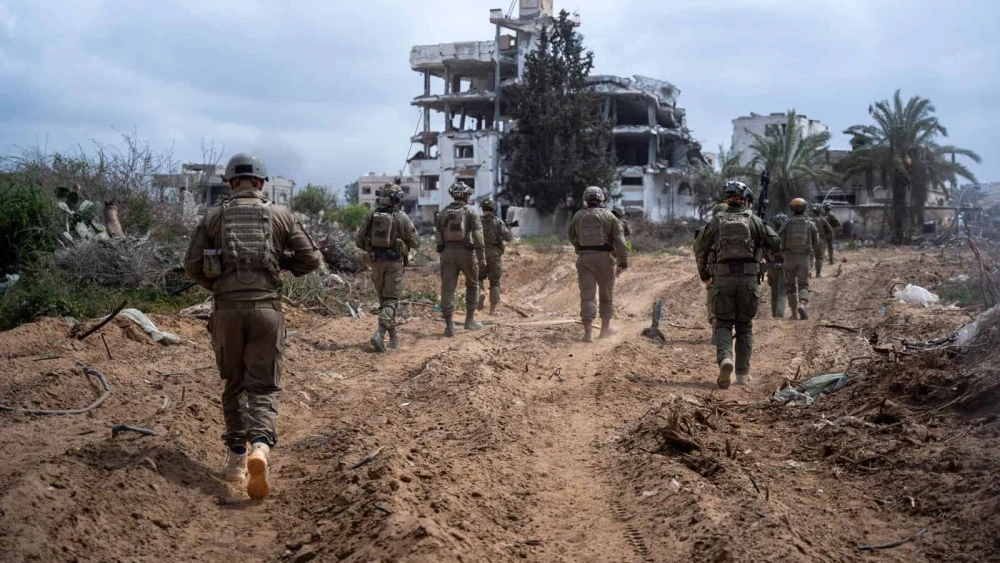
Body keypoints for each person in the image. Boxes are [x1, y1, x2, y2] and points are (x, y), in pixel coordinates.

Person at [184, 153, 323, 499]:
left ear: (230, 182)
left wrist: (217, 287)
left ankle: (236, 461)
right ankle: (260, 446)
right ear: (262, 183)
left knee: (234, 384)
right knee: (263, 386)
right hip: (266, 311)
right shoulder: (280, 215)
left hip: (227, 312)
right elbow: (312, 259)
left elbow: (191, 265)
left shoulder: (214, 217)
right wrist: (281, 264)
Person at [694, 181, 780, 389]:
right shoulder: (755, 220)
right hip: (749, 280)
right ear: (746, 199)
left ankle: (725, 359)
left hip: (723, 280)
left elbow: (700, 247)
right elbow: (776, 243)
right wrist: (761, 232)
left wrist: (704, 273)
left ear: (727, 198)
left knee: (723, 322)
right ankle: (742, 374)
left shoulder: (717, 220)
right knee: (744, 326)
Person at [355, 183, 421, 352]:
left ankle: (393, 339)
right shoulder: (401, 217)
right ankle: (380, 333)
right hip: (393, 264)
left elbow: (359, 240)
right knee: (391, 300)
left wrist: (372, 249)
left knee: (384, 301)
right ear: (396, 199)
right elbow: (416, 242)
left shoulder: (371, 216)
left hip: (375, 263)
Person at [569, 187, 628, 343]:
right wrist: (623, 259)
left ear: (585, 199)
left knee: (587, 297)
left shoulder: (578, 216)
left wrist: (580, 249)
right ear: (602, 200)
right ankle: (604, 331)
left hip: (584, 259)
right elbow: (620, 241)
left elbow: (572, 236)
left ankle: (588, 334)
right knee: (606, 296)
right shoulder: (610, 216)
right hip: (605, 260)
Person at [436, 181, 486, 336]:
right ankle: (469, 320)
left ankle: (449, 325)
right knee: (472, 285)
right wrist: (482, 257)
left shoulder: (443, 212)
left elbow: (438, 233)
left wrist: (442, 248)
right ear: (466, 195)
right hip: (466, 253)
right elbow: (478, 236)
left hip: (447, 254)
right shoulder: (471, 212)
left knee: (448, 288)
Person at [779, 199, 822, 321]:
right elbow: (817, 243)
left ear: (792, 209)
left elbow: (778, 240)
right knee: (803, 284)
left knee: (790, 285)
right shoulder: (810, 224)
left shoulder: (786, 224)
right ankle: (802, 304)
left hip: (788, 258)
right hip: (804, 258)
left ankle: (793, 313)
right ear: (805, 208)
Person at [695, 203, 730, 338]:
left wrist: (703, 273)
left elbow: (699, 252)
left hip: (714, 270)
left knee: (712, 296)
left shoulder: (706, 229)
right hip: (732, 271)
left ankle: (714, 319)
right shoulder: (737, 228)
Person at [477, 197, 513, 316]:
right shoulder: (498, 222)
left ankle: (480, 292)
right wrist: (508, 229)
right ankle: (492, 311)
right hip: (494, 254)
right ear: (493, 208)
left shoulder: (477, 221)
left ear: (482, 209)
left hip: (480, 253)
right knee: (494, 282)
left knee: (478, 279)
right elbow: (508, 237)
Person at [765, 213, 789, 318]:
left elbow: (765, 251)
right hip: (783, 266)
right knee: (782, 292)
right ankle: (779, 315)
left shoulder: (769, 235)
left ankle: (775, 314)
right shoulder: (787, 235)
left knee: (774, 291)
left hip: (771, 266)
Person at [811, 207, 834, 277]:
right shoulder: (822, 220)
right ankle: (818, 274)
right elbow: (830, 230)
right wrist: (825, 237)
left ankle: (808, 273)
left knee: (808, 257)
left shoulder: (809, 220)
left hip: (808, 241)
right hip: (819, 240)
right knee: (819, 257)